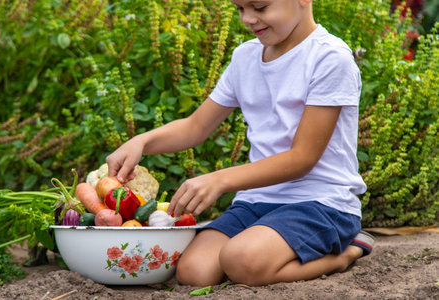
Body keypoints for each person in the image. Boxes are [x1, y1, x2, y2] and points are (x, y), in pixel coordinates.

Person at [106, 0, 375, 287]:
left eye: (259, 7)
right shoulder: (245, 57)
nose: (248, 18)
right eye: (239, 8)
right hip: (257, 201)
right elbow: (196, 127)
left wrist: (220, 180)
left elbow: (302, 158)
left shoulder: (329, 58)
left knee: (241, 262)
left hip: (320, 203)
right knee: (193, 273)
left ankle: (346, 252)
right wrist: (142, 142)